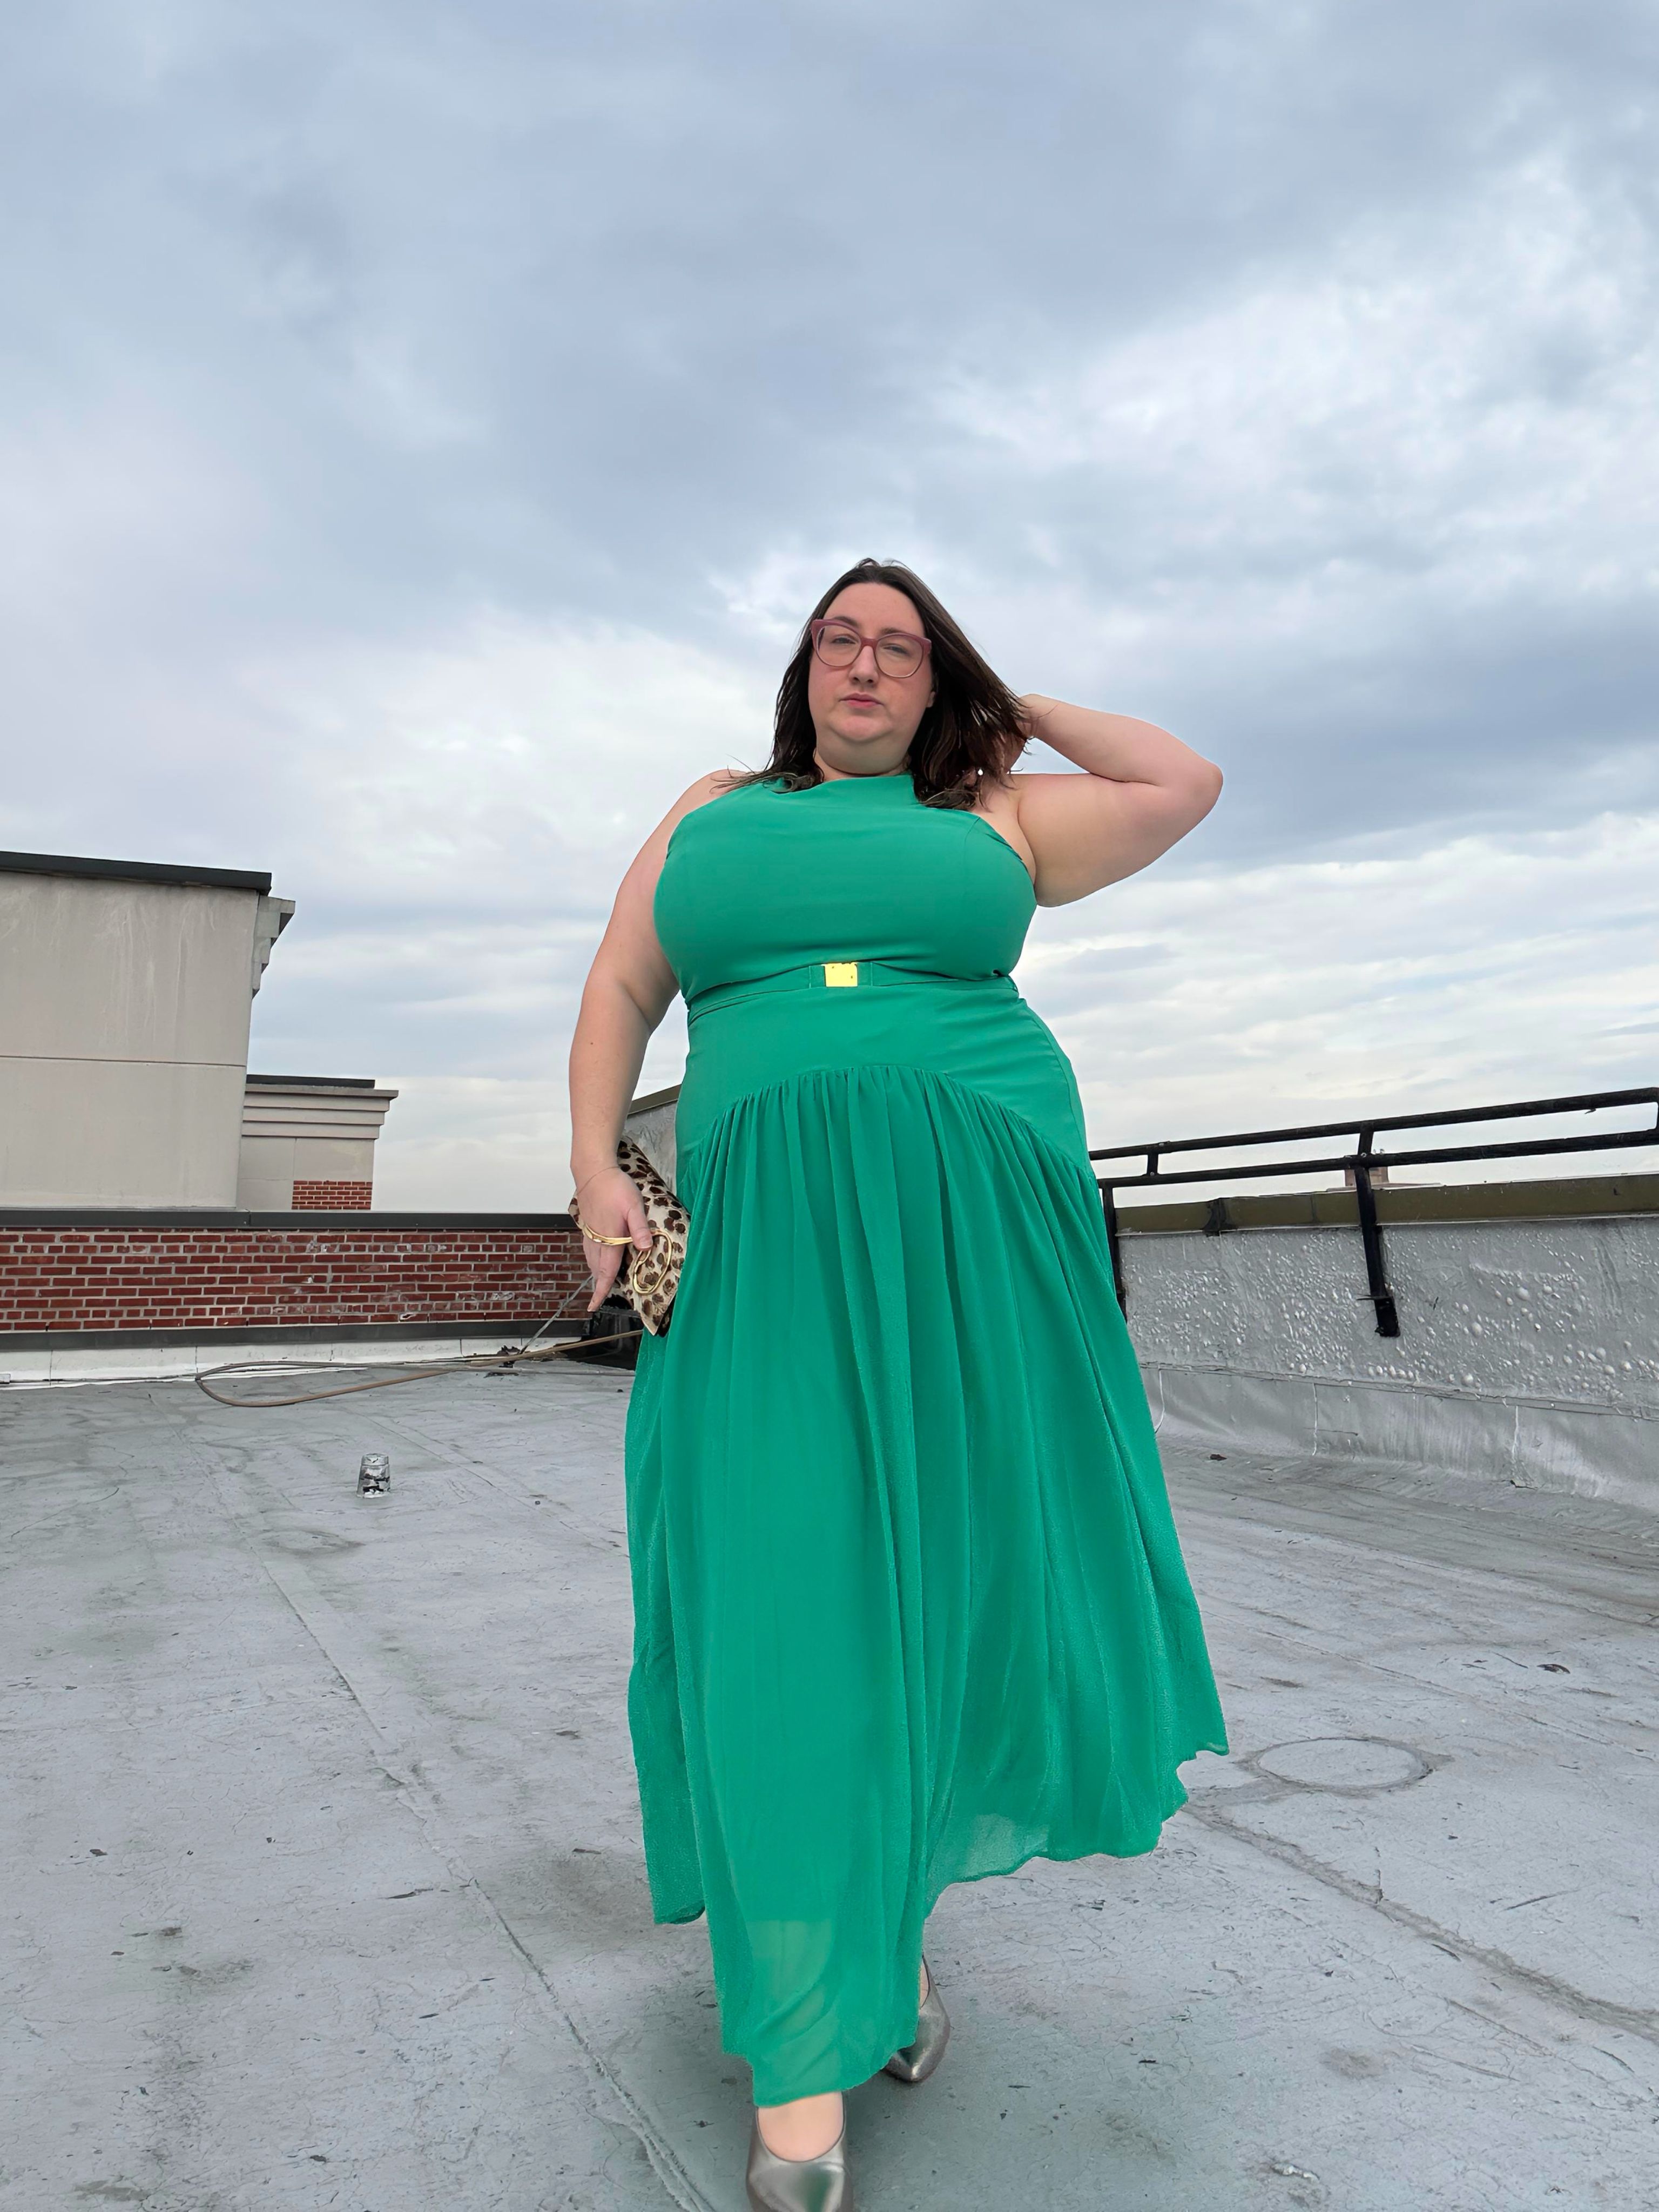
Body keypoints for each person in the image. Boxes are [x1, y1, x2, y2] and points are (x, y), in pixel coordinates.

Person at [567, 558, 1230, 2211]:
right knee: (781, 1604)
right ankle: (805, 2051)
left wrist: (1013, 704)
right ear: (801, 668)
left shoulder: (993, 810)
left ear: (938, 684)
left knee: (949, 1589)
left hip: (979, 1237)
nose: (865, 664)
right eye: (840, 639)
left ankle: (877, 1942)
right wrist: (592, 1168)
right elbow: (624, 987)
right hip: (766, 1241)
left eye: (904, 649)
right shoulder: (712, 806)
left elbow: (1182, 780)